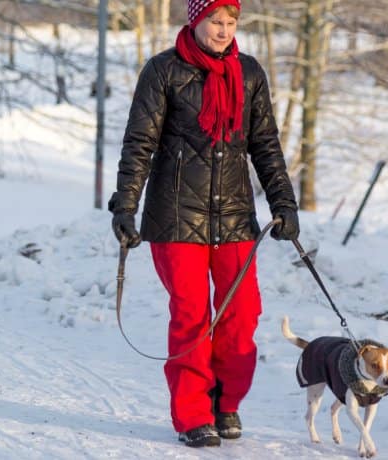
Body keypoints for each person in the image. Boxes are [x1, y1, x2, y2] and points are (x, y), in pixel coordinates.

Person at [108, 0, 299, 448]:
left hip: (234, 215)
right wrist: (125, 206)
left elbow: (265, 145)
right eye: (215, 21)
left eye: (231, 23)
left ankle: (225, 402)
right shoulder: (163, 71)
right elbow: (139, 143)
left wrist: (283, 203)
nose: (223, 31)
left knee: (242, 314)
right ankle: (193, 414)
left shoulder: (249, 74)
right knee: (193, 317)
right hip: (176, 215)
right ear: (195, 20)